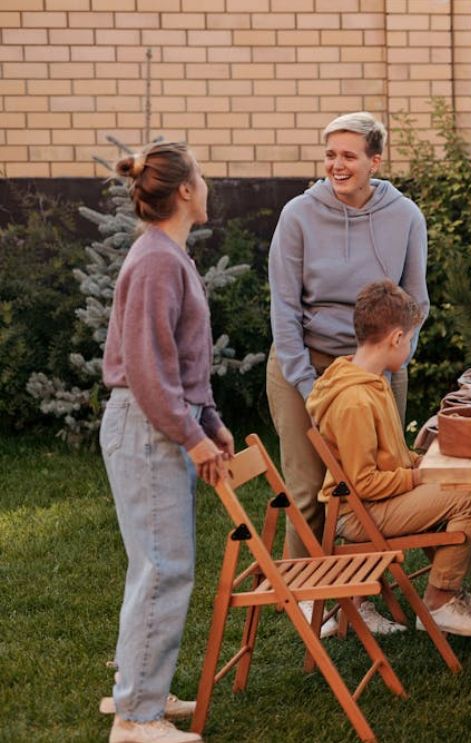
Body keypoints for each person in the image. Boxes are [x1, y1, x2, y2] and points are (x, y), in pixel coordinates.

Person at [100, 142, 231, 743]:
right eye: (200, 177)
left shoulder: (165, 254)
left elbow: (179, 362)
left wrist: (209, 422)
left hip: (159, 420)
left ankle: (141, 690)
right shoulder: (156, 259)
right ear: (184, 190)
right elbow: (150, 371)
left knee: (154, 564)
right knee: (163, 567)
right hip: (149, 426)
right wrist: (190, 436)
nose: (205, 186)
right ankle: (136, 719)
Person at [268, 112, 430, 563]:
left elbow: (417, 302)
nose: (337, 165)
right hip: (307, 362)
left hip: (379, 366)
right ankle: (305, 590)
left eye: (349, 156)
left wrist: (394, 360)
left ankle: (364, 594)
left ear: (375, 161)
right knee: (307, 489)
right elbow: (283, 308)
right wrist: (308, 385)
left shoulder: (405, 217)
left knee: (377, 482)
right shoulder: (298, 215)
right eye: (330, 155)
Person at [306, 280, 471, 637]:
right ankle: (439, 601)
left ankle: (452, 591)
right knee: (469, 495)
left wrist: (424, 461)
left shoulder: (373, 381)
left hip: (381, 500)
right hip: (356, 515)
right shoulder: (354, 401)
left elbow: (390, 455)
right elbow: (362, 483)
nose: (410, 346)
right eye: (411, 338)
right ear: (396, 338)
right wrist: (420, 477)